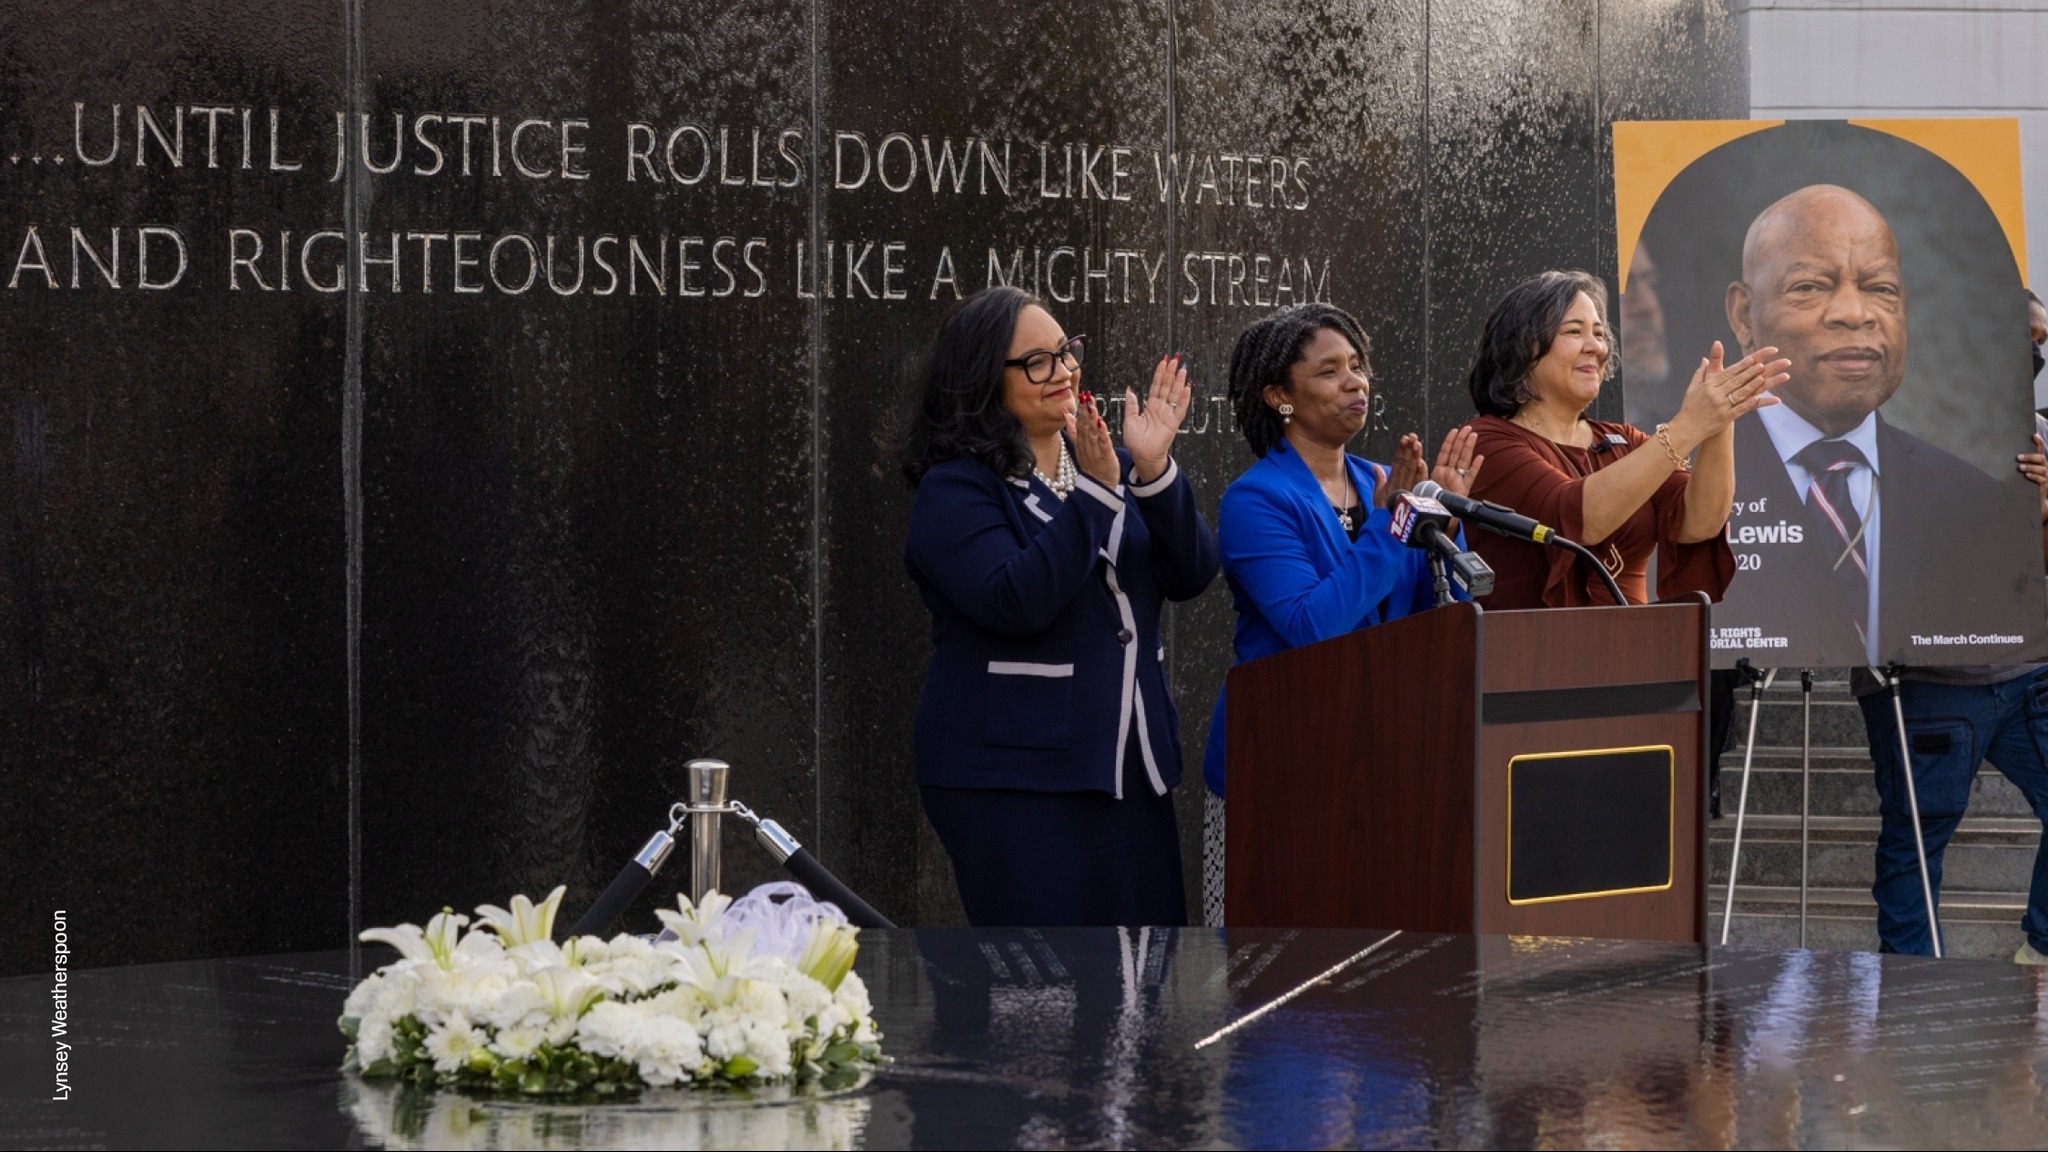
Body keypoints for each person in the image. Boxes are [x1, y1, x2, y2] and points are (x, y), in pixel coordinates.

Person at [902, 286, 1219, 927]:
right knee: (1041, 997)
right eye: (1038, 362)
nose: (1065, 372)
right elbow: (1014, 598)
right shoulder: (956, 488)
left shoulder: (1105, 465)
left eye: (1066, 353)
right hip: (1016, 774)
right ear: (985, 379)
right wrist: (1101, 497)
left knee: (1140, 984)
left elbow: (1191, 574)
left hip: (1130, 761)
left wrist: (1153, 470)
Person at [1198, 302, 1483, 925]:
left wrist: (1447, 530)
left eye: (1357, 366)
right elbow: (1313, 626)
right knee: (1272, 973)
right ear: (1280, 396)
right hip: (1279, 767)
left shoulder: (1384, 480)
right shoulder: (1256, 500)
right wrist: (1389, 524)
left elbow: (1438, 622)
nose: (1355, 381)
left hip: (1377, 765)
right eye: (1329, 371)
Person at [1721, 184, 2040, 667]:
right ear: (1744, 315)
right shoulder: (1685, 477)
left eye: (1880, 288)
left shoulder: (1971, 498)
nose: (1854, 313)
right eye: (1810, 286)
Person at [1460, 270, 1781, 608]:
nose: (1597, 347)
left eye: (1600, 334)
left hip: (1632, 649)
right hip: (1535, 653)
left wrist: (1718, 420)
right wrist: (1689, 425)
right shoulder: (1486, 441)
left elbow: (1698, 523)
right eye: (1574, 331)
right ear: (1525, 347)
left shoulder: (1624, 441)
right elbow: (1582, 520)